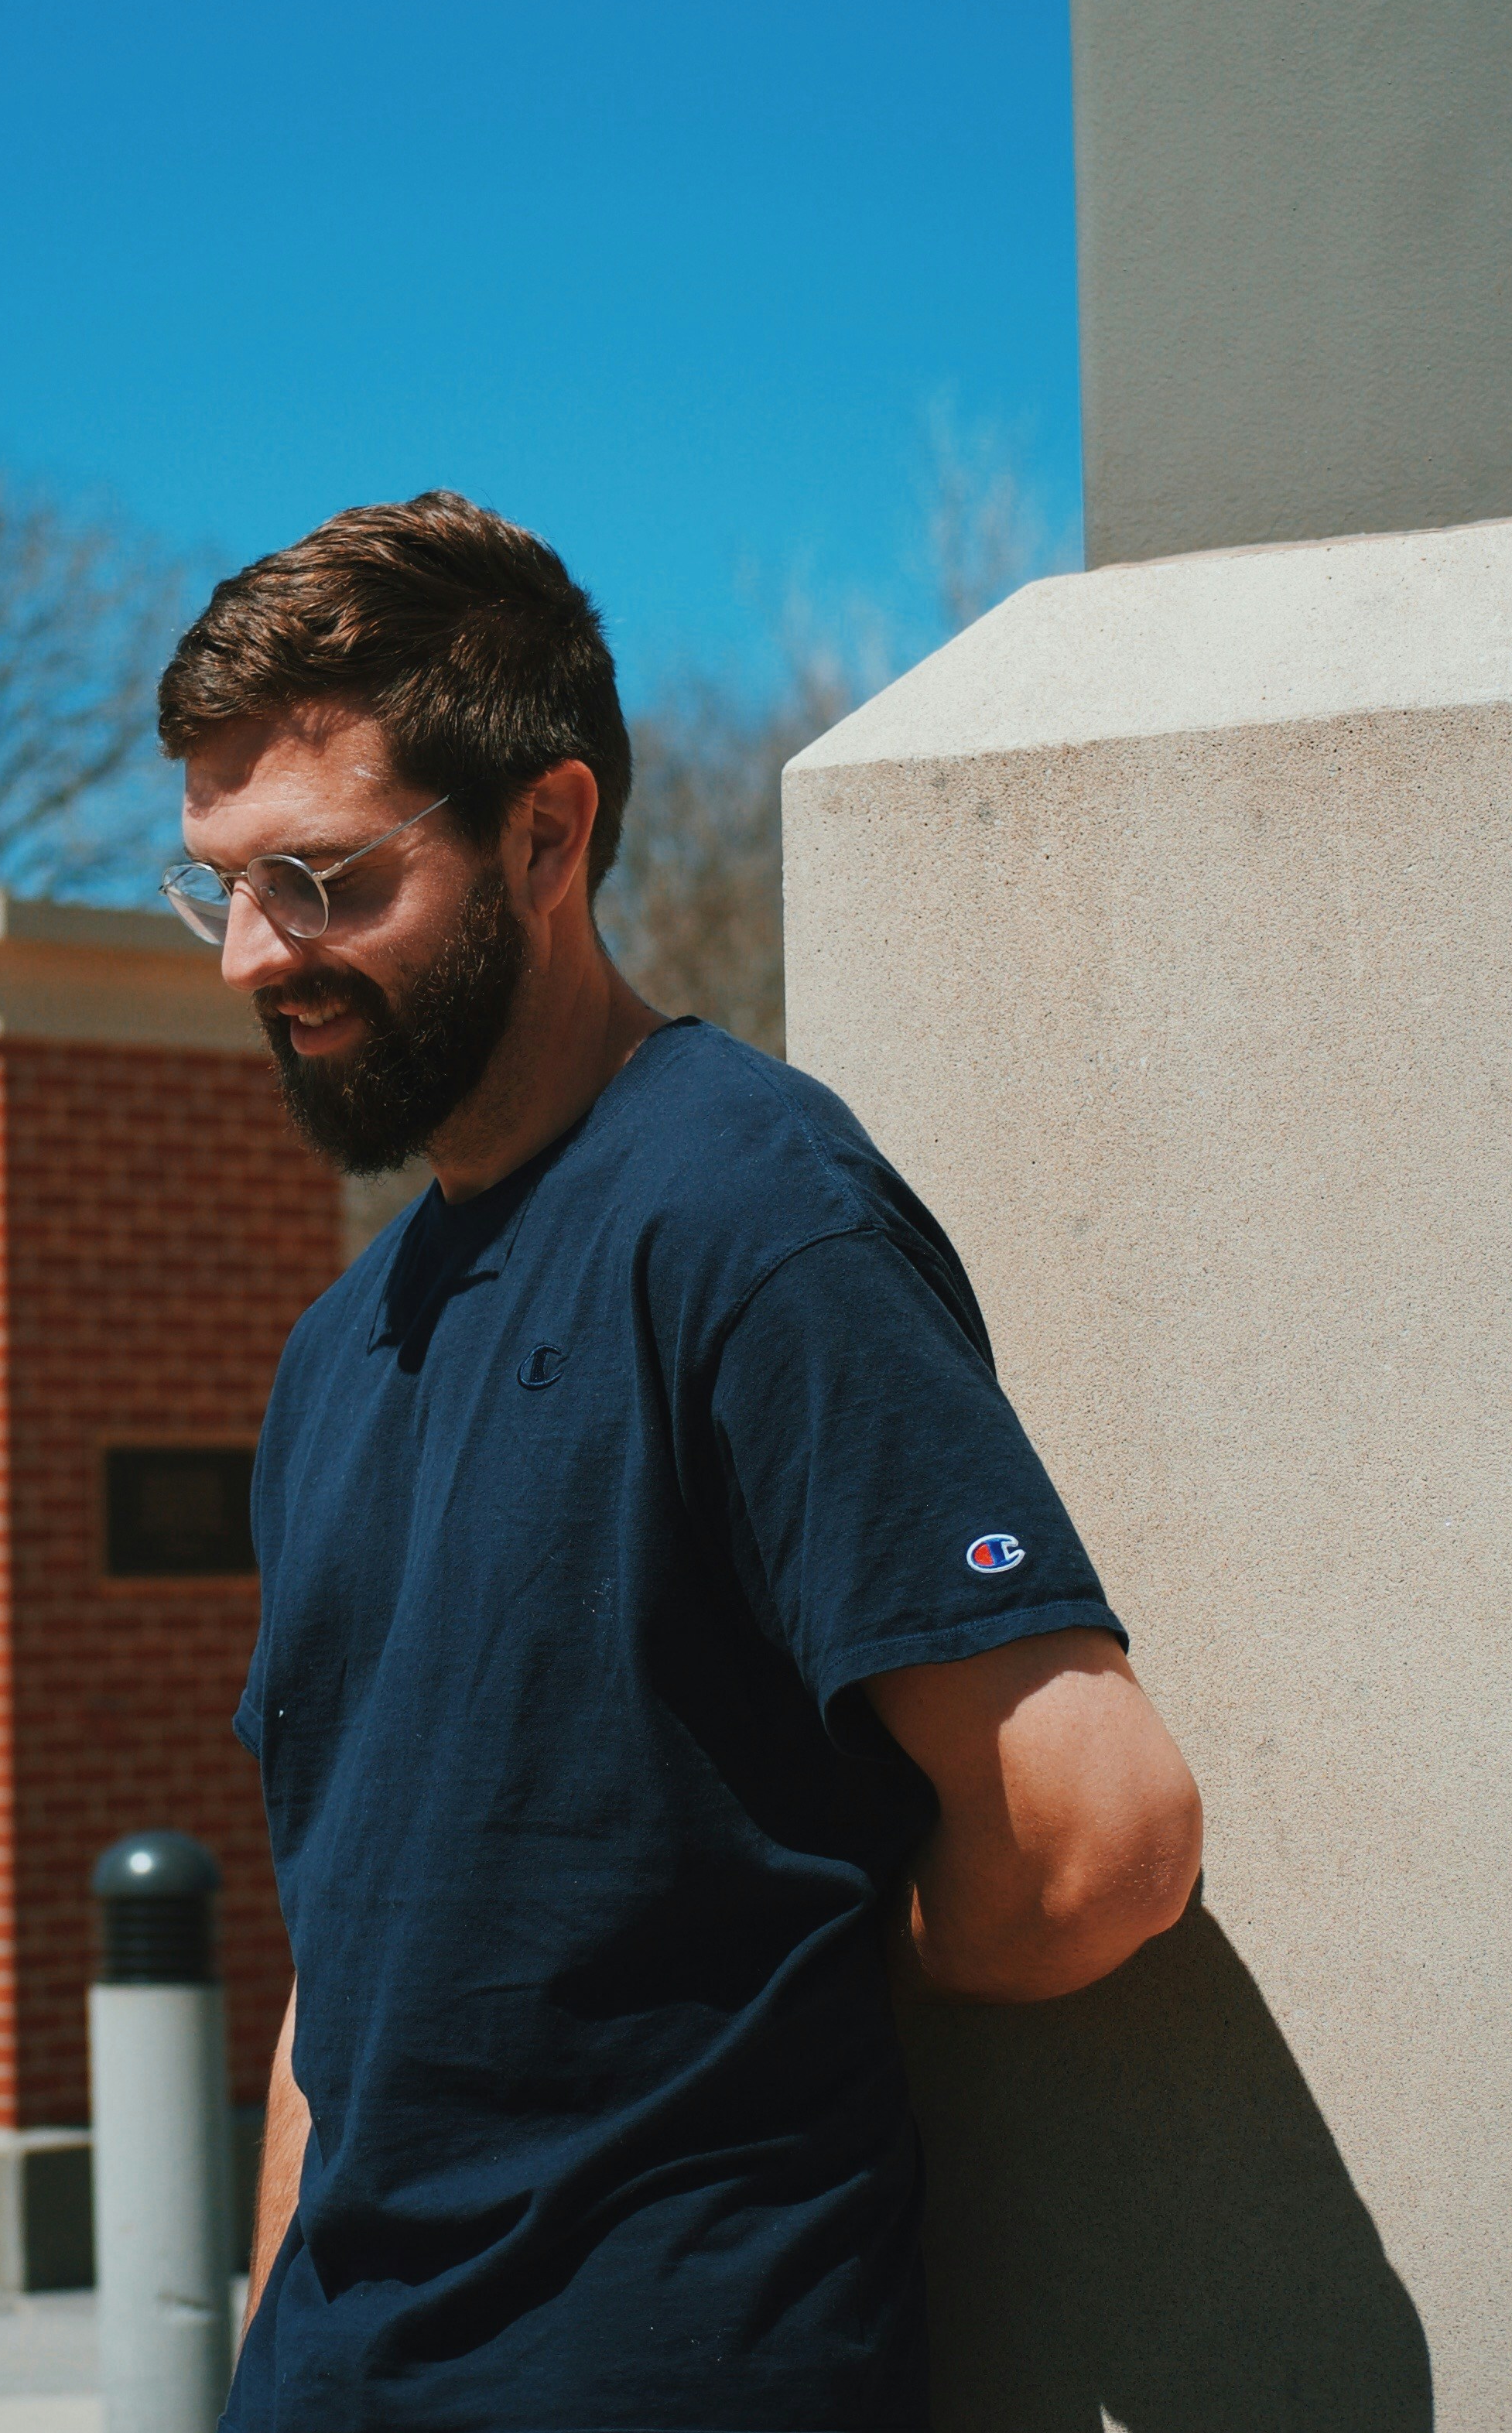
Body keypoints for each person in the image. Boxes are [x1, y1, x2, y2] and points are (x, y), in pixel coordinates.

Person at [156, 493, 1202, 2433]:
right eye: (213, 880)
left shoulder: (749, 1219)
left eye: (315, 878)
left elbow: (1095, 1833)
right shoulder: (339, 1346)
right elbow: (349, 1950)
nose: (249, 954)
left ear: (544, 834)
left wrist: (795, 1976)